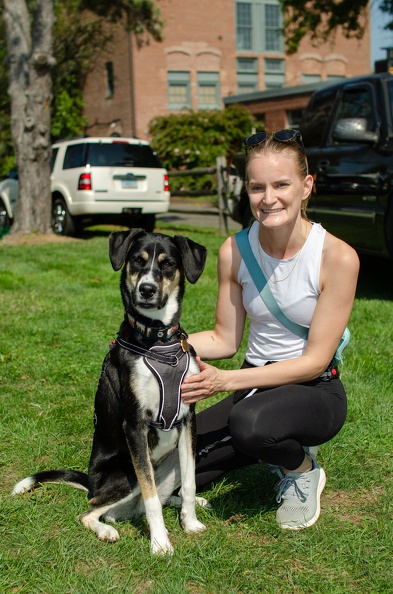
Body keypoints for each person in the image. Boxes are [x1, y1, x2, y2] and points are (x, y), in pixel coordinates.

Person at [180, 129, 359, 530]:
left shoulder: (337, 257)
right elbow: (224, 340)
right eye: (257, 186)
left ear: (306, 186)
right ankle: (263, 441)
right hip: (253, 388)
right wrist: (156, 344)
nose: (269, 198)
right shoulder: (235, 250)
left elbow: (314, 362)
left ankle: (302, 469)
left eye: (281, 184)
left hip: (315, 389)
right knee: (179, 460)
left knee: (249, 425)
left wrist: (225, 382)